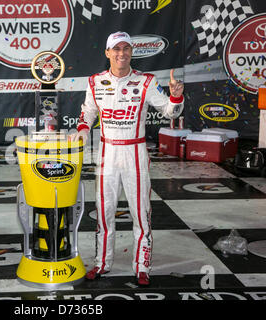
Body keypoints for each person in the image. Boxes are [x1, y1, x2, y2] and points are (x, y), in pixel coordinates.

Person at [69, 31, 184, 286]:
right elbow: (87, 114)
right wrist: (82, 131)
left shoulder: (145, 81)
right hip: (107, 153)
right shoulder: (95, 81)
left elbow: (169, 110)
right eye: (116, 49)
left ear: (132, 52)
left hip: (135, 153)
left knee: (141, 213)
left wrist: (176, 96)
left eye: (126, 48)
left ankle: (142, 266)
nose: (122, 53)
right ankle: (102, 263)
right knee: (104, 212)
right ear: (108, 53)